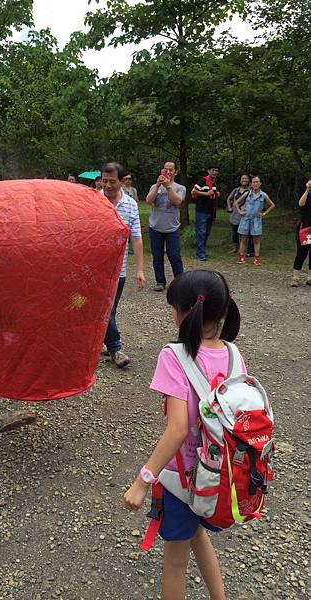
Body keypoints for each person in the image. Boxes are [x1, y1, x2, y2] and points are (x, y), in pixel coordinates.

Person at [123, 269, 242, 600]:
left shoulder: (173, 355)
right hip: (220, 474)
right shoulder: (233, 354)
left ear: (184, 313)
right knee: (197, 536)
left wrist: (143, 480)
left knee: (174, 562)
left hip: (183, 478)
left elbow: (177, 428)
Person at [101, 162, 145, 367]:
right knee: (105, 309)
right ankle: (115, 349)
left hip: (119, 269)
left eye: (112, 181)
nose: (108, 186)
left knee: (111, 309)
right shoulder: (93, 200)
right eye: (104, 181)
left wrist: (140, 269)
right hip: (93, 268)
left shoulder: (130, 204)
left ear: (121, 181)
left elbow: (136, 237)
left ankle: (99, 341)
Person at [146, 161, 186, 291]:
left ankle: (179, 282)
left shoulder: (180, 188)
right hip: (155, 227)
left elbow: (177, 201)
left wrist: (168, 187)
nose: (168, 172)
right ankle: (160, 282)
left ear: (176, 172)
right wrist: (158, 186)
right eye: (166, 169)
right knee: (157, 257)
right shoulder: (155, 186)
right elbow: (148, 200)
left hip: (172, 228)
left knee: (174, 256)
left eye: (171, 170)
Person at [236, 176, 275, 266]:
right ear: (251, 184)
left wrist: (264, 213)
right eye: (254, 182)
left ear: (260, 183)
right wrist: (239, 211)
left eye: (257, 182)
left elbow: (272, 205)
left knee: (256, 240)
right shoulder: (247, 194)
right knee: (243, 239)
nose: (255, 184)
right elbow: (237, 202)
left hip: (256, 220)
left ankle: (257, 258)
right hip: (245, 219)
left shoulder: (263, 195)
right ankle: (241, 257)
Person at [193, 165, 220, 261]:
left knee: (207, 233)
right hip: (201, 211)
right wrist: (206, 194)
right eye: (213, 170)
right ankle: (200, 254)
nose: (215, 172)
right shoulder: (202, 181)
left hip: (210, 211)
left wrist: (216, 194)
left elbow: (213, 195)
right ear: (208, 171)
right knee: (201, 232)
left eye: (216, 170)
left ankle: (202, 251)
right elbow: (193, 192)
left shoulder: (214, 183)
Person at [226, 174, 253, 254]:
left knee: (244, 233)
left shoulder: (251, 190)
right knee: (234, 233)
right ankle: (235, 248)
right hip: (235, 214)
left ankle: (244, 249)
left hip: (245, 215)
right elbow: (229, 198)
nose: (244, 180)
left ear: (249, 180)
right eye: (242, 178)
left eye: (246, 178)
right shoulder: (236, 190)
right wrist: (229, 207)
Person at [291, 179, 311, 286]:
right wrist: (307, 189)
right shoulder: (307, 195)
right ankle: (296, 277)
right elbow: (301, 204)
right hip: (305, 228)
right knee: (301, 253)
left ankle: (310, 277)